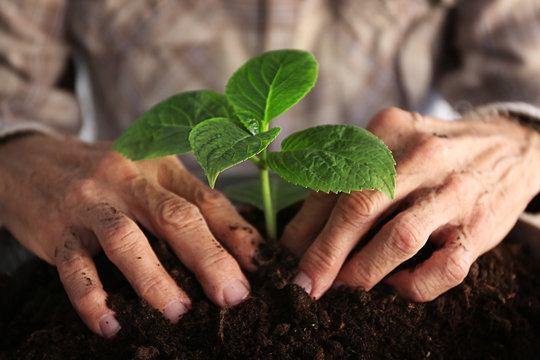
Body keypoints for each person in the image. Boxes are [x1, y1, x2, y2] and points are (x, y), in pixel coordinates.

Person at [1, 0, 540, 339]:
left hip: (373, 205)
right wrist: (15, 151)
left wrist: (524, 137)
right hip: (139, 203)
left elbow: (526, 72)